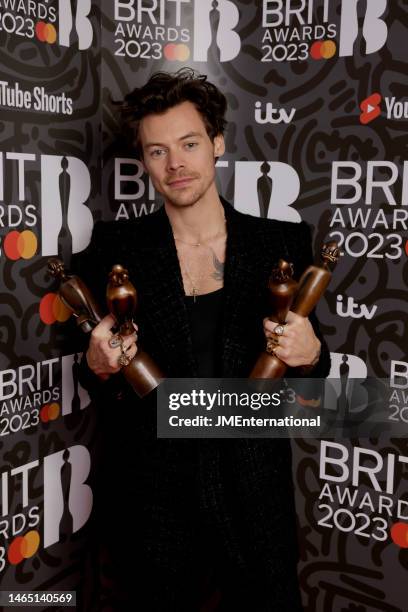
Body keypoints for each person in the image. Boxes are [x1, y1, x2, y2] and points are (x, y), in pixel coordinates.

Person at [73, 69, 330, 612]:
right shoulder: (113, 250)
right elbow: (96, 377)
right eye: (157, 151)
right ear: (144, 161)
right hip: (152, 499)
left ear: (217, 143)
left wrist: (312, 356)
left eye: (189, 144)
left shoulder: (280, 242)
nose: (176, 165)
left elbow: (311, 376)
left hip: (255, 493)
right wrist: (96, 361)